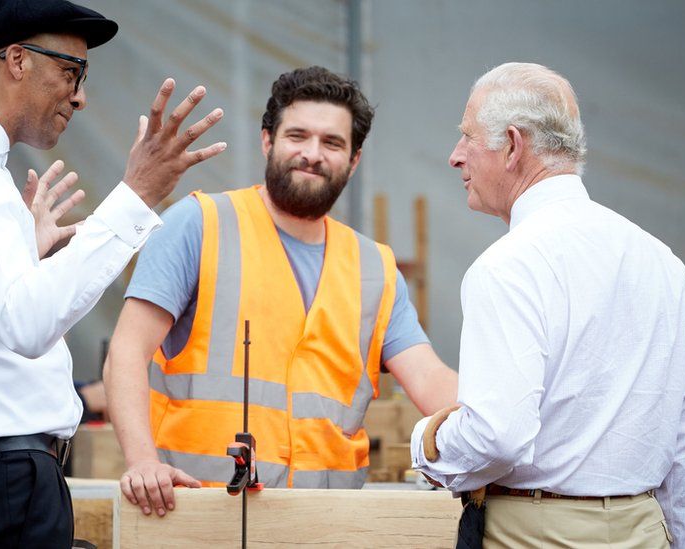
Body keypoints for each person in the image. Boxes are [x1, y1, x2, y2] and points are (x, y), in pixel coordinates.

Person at [0, 0, 226, 546]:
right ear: (16, 60)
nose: (79, 96)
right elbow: (26, 323)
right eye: (70, 71)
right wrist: (135, 196)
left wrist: (25, 261)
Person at [104, 66, 459, 517]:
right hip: (196, 519)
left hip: (324, 528)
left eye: (332, 143)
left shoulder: (377, 269)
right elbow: (126, 352)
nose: (312, 154)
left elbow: (429, 380)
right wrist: (142, 462)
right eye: (298, 136)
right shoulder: (200, 224)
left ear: (353, 161)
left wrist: (504, 417)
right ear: (267, 141)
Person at [411, 62, 685, 548]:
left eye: (467, 137)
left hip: (534, 534)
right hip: (645, 529)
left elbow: (497, 437)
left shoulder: (507, 267)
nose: (455, 156)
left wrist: (427, 442)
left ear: (512, 145)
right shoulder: (662, 263)